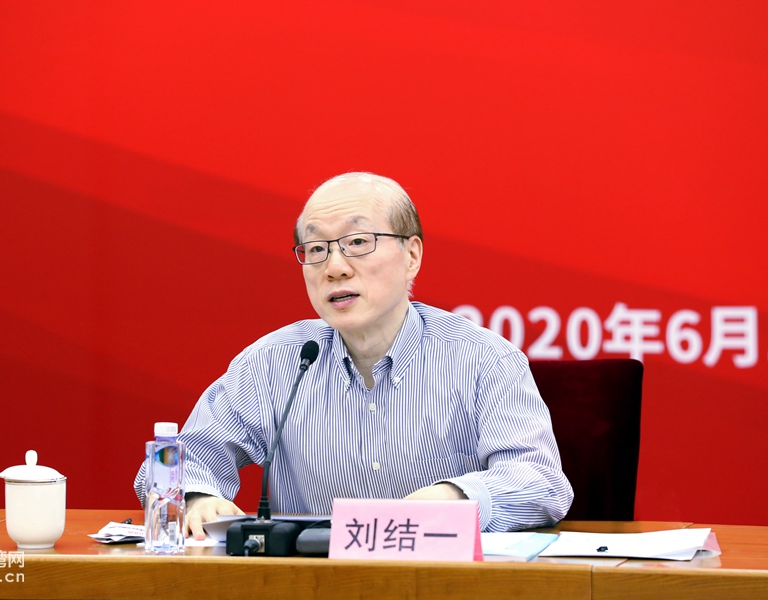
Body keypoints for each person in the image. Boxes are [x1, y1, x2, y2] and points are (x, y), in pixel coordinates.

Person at [135, 172, 573, 539]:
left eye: (358, 241)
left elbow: (541, 482)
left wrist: (454, 497)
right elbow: (173, 461)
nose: (335, 267)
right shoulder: (272, 364)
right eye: (316, 249)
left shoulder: (483, 360)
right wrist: (197, 497)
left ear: (412, 255)